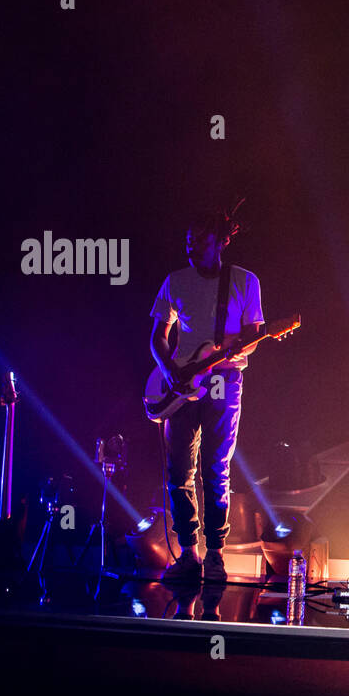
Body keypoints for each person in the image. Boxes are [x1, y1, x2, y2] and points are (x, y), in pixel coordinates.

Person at [149, 208, 264, 583]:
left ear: (221, 241)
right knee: (179, 472)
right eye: (188, 241)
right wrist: (169, 371)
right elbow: (158, 336)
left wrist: (234, 351)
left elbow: (253, 339)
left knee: (216, 470)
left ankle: (215, 553)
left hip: (224, 383)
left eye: (200, 240)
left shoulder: (245, 282)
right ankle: (188, 554)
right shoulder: (175, 281)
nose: (192, 247)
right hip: (181, 387)